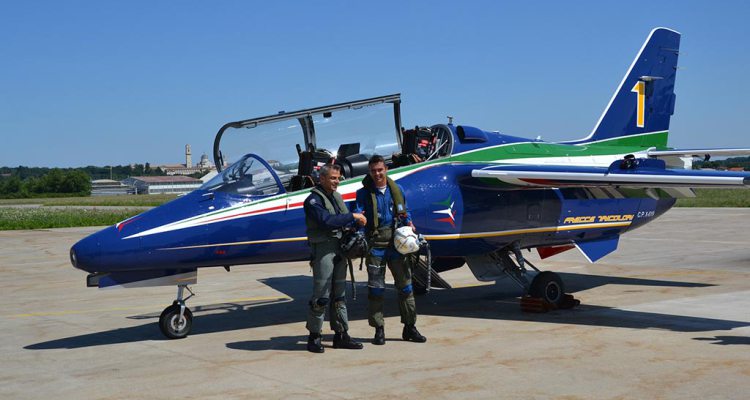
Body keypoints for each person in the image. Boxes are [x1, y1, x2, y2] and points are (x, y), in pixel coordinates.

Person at [354, 155, 427, 345]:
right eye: (373, 171)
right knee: (376, 290)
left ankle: (410, 327)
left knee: (406, 287)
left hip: (397, 244)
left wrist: (409, 224)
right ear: (369, 172)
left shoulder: (397, 190)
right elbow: (359, 215)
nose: (377, 174)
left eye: (380, 170)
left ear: (386, 169)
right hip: (375, 246)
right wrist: (359, 229)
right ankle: (379, 329)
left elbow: (404, 211)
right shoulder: (363, 193)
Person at [303, 163, 367, 353]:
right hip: (324, 250)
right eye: (332, 178)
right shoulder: (313, 201)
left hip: (340, 250)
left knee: (339, 295)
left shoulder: (336, 197)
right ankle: (314, 336)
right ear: (321, 178)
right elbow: (327, 221)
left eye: (338, 178)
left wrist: (355, 225)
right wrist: (353, 216)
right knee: (321, 296)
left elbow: (343, 220)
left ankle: (341, 334)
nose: (336, 182)